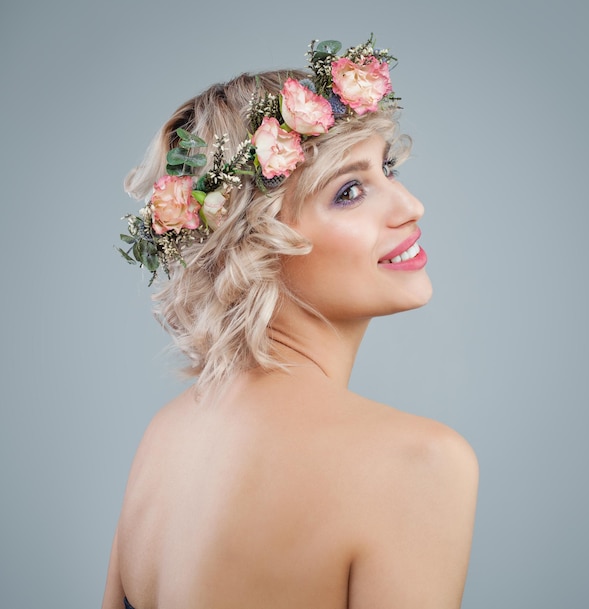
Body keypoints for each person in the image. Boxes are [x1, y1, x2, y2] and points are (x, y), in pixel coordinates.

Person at [104, 35, 479, 609]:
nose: (409, 205)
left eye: (389, 167)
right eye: (349, 191)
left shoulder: (167, 437)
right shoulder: (415, 462)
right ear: (253, 241)